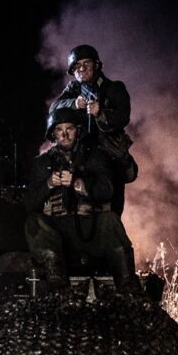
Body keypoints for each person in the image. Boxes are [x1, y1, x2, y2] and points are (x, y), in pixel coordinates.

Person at [23, 108, 138, 291]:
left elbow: (107, 189)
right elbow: (29, 203)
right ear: (53, 134)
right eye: (59, 130)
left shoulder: (96, 156)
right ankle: (57, 283)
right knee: (33, 222)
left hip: (90, 227)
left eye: (70, 128)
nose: (65, 135)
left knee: (110, 220)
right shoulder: (41, 163)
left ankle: (129, 287)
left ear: (78, 130)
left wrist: (78, 183)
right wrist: (49, 184)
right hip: (58, 232)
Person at [49, 44, 137, 216]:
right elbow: (54, 109)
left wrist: (101, 113)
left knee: (111, 209)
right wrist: (73, 103)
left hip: (109, 157)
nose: (81, 69)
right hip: (81, 159)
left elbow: (123, 117)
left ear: (96, 65)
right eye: (77, 66)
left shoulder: (114, 88)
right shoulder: (73, 89)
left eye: (86, 64)